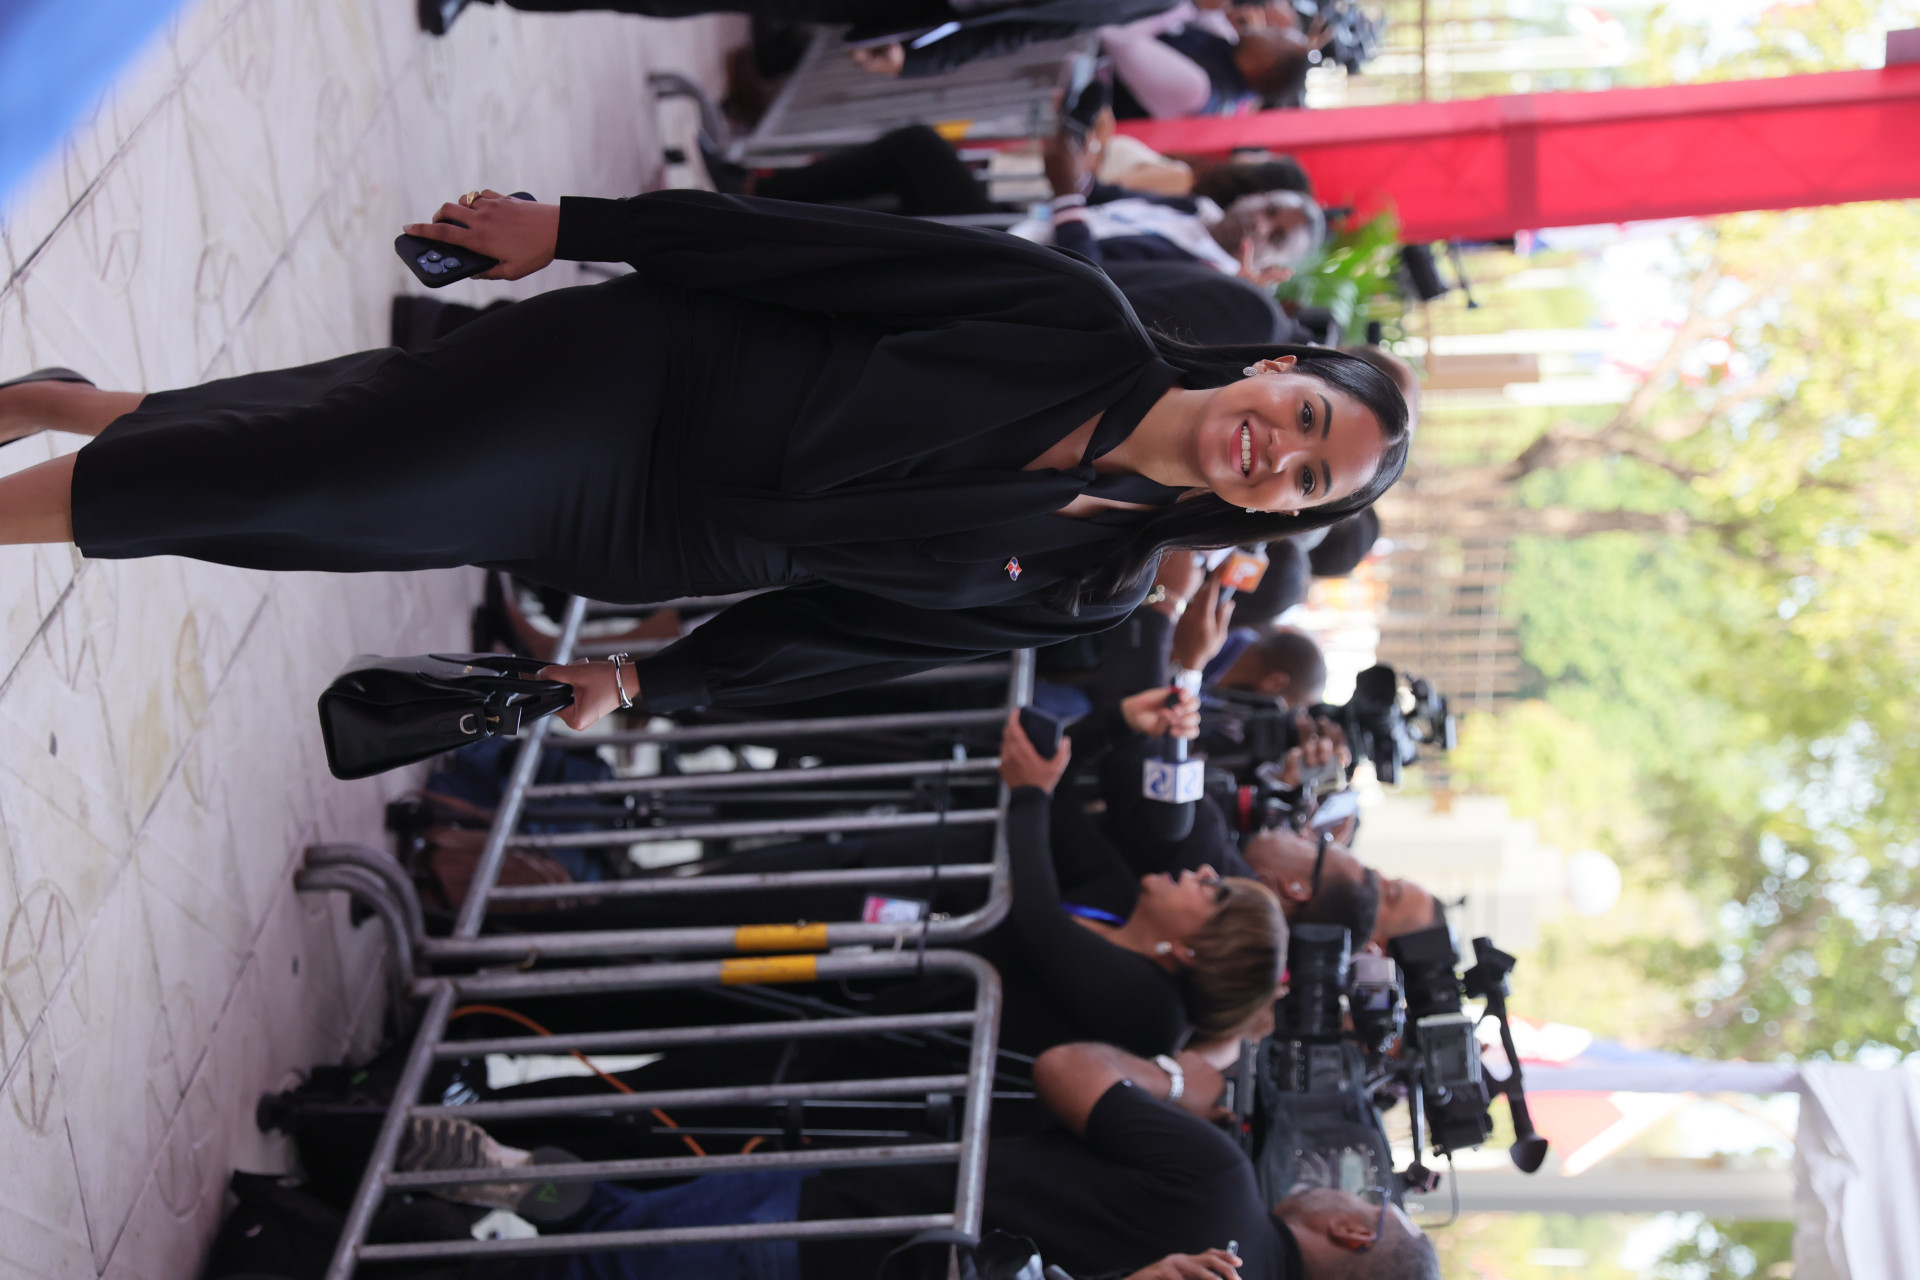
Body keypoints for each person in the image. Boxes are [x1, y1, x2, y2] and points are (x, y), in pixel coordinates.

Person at [0, 189, 1409, 723]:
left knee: (326, 483)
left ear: (1284, 517)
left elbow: (844, 633)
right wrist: (580, 229)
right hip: (643, 382)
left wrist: (641, 677)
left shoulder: (1091, 588)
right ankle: (64, 451)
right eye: (1304, 417)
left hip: (654, 537)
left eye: (1309, 479)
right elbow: (818, 251)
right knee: (321, 480)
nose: (1277, 454)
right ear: (1274, 369)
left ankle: (72, 408)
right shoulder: (1074, 314)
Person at [417, 1040, 1438, 1279]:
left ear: (1355, 1233)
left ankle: (497, 1197)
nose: (1339, 1186)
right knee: (627, 1238)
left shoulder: (1220, 1177)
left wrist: (1178, 1076)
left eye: (1366, 1202)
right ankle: (520, 1186)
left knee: (623, 1250)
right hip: (866, 1243)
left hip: (856, 1215)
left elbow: (1071, 1070)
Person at [992, 704, 1285, 1058]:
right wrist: (1122, 721)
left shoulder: (1158, 1016)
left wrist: (1029, 795)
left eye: (1216, 891)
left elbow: (1039, 923)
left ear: (1191, 951)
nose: (1207, 872)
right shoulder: (1119, 902)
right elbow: (1057, 789)